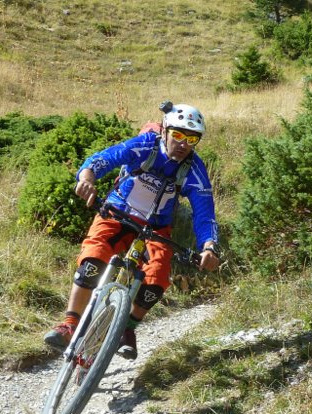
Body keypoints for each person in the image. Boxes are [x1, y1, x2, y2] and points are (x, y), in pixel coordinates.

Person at [43, 102, 220, 360]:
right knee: (93, 258)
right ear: (165, 130)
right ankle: (70, 324)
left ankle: (128, 328)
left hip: (156, 226)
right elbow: (105, 158)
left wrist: (209, 247)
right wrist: (87, 178)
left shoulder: (194, 170)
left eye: (192, 138)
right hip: (119, 211)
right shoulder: (146, 145)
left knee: (157, 278)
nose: (183, 144)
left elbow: (205, 213)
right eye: (178, 135)